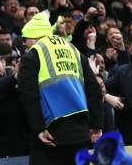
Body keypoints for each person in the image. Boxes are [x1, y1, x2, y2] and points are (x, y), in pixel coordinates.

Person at [17, 12, 103, 165]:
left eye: (25, 39)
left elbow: (28, 96)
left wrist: (38, 129)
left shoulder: (32, 56)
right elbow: (94, 89)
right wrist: (96, 125)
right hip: (80, 133)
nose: (24, 44)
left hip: (50, 136)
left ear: (34, 37)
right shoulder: (74, 51)